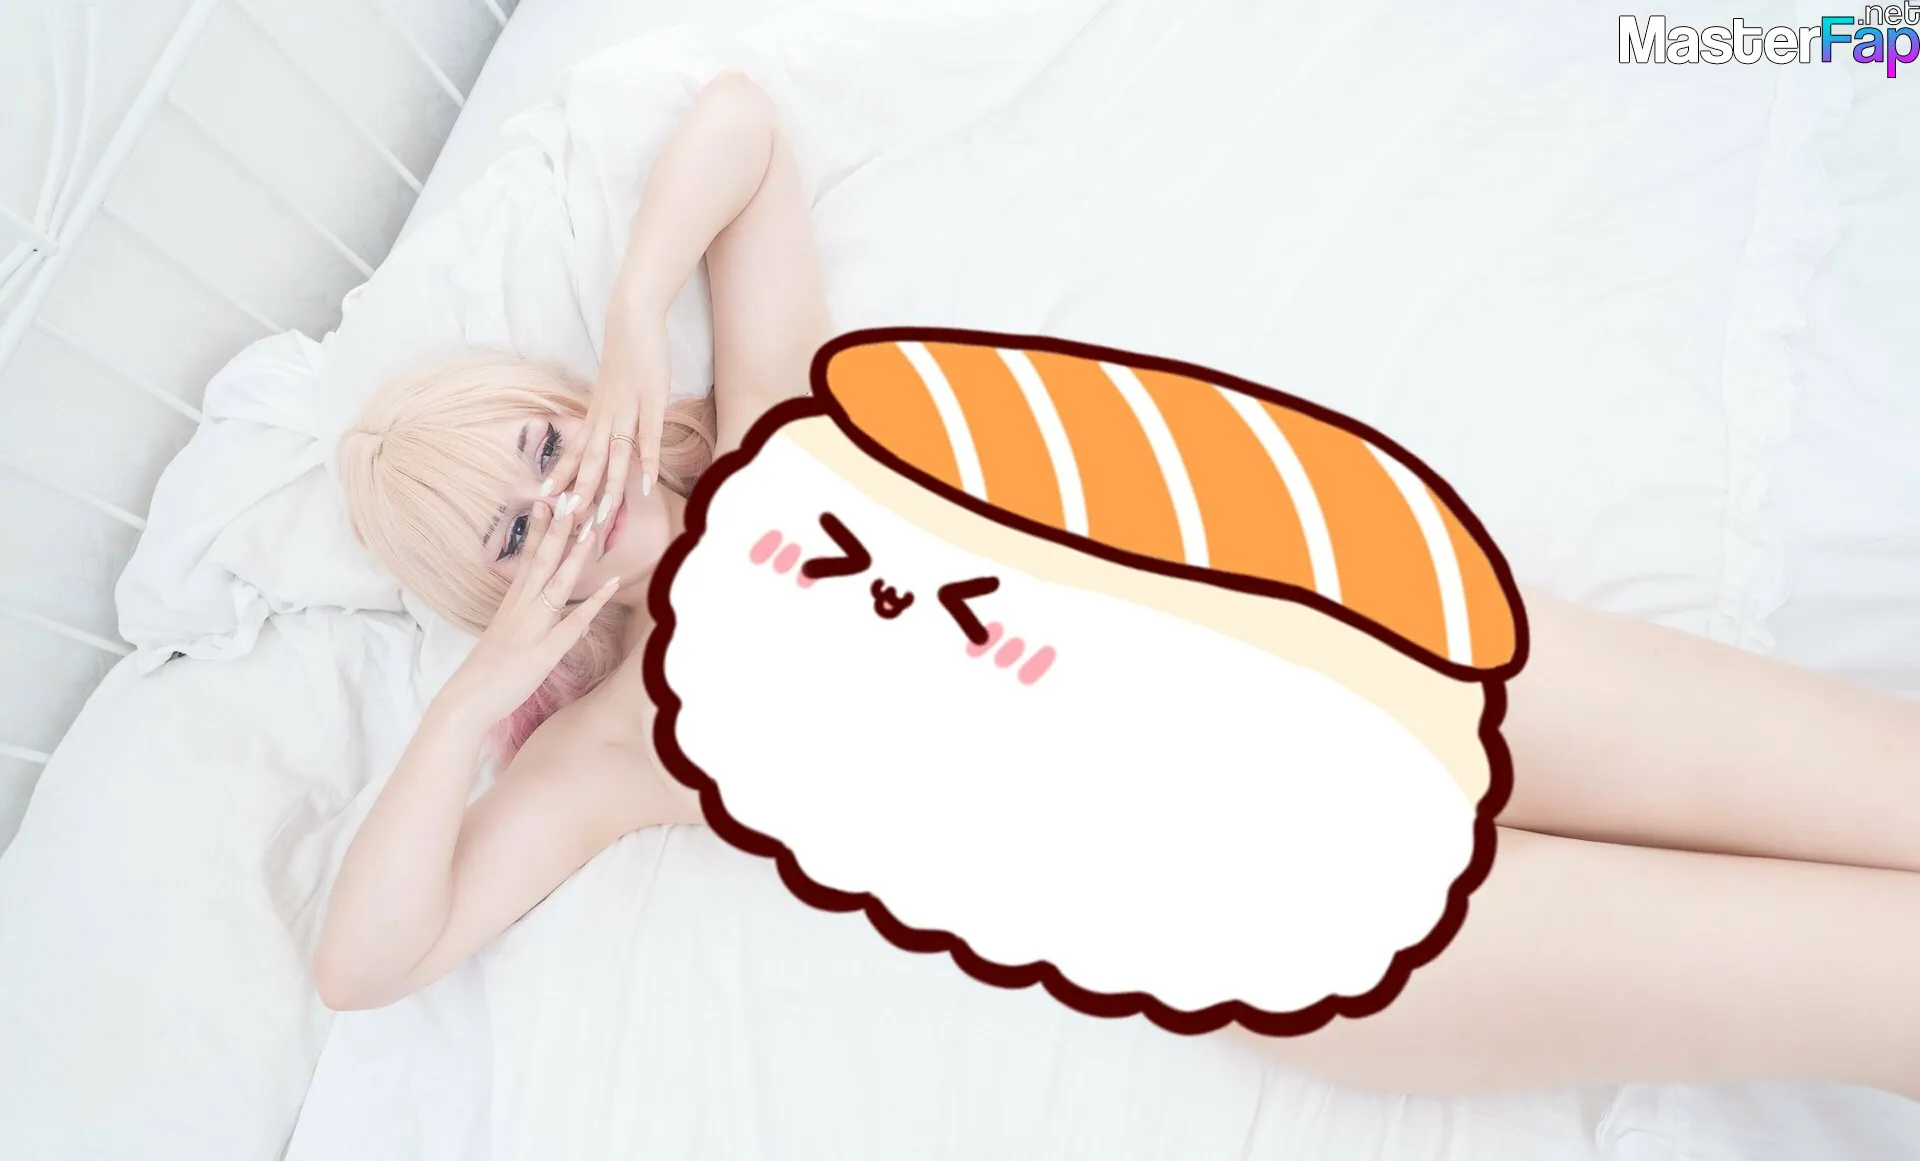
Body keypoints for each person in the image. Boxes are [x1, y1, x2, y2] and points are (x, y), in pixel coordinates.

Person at [319, 71, 1920, 1102]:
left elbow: (739, 126)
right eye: (508, 536)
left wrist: (626, 325)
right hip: (1305, 899)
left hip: (1375, 661)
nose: (556, 499)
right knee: (1881, 983)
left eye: (538, 446)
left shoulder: (779, 422)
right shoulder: (628, 749)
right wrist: (478, 700)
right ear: (491, 599)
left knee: (1886, 783)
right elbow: (366, 963)